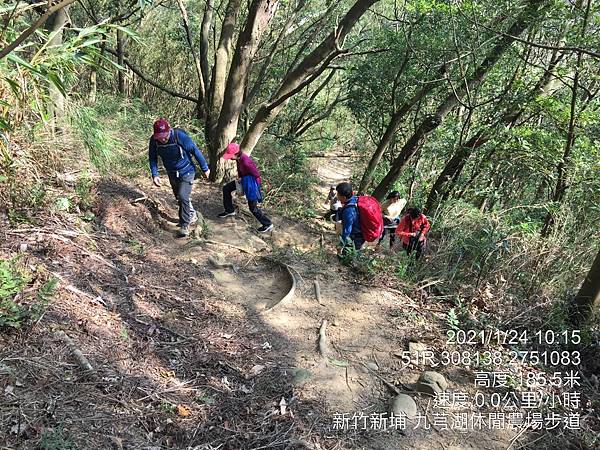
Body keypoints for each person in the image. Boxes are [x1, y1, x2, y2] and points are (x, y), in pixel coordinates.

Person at [148, 118, 210, 237]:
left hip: (187, 171)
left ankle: (184, 225)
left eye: (165, 135)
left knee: (183, 196)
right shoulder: (154, 141)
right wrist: (155, 174)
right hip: (171, 172)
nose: (163, 139)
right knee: (179, 197)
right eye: (159, 136)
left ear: (169, 130)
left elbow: (195, 151)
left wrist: (205, 168)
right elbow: (152, 158)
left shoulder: (179, 136)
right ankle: (191, 215)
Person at [217, 143, 273, 233]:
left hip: (252, 185)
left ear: (236, 154)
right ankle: (229, 210)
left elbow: (256, 175)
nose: (229, 158)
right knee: (226, 188)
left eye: (230, 156)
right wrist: (240, 177)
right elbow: (241, 171)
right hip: (243, 181)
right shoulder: (238, 159)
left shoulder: (246, 161)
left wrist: (244, 179)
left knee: (253, 208)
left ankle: (267, 224)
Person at [336, 182, 364, 256]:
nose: (337, 196)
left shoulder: (349, 210)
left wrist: (341, 245)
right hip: (360, 235)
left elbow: (347, 230)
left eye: (338, 194)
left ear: (344, 197)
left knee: (348, 258)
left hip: (355, 238)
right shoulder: (355, 199)